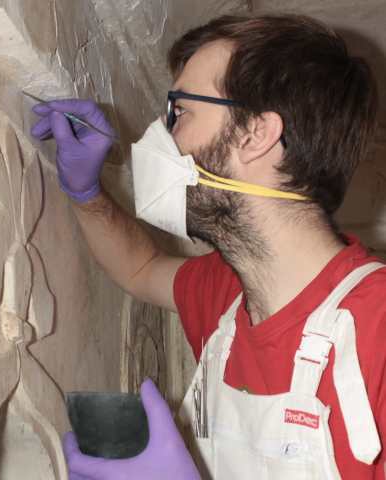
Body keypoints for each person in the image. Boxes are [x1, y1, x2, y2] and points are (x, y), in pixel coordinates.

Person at [31, 14, 386, 480]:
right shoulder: (229, 293)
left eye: (179, 110)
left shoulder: (377, 325)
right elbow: (141, 268)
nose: (162, 131)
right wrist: (86, 192)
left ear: (255, 135)